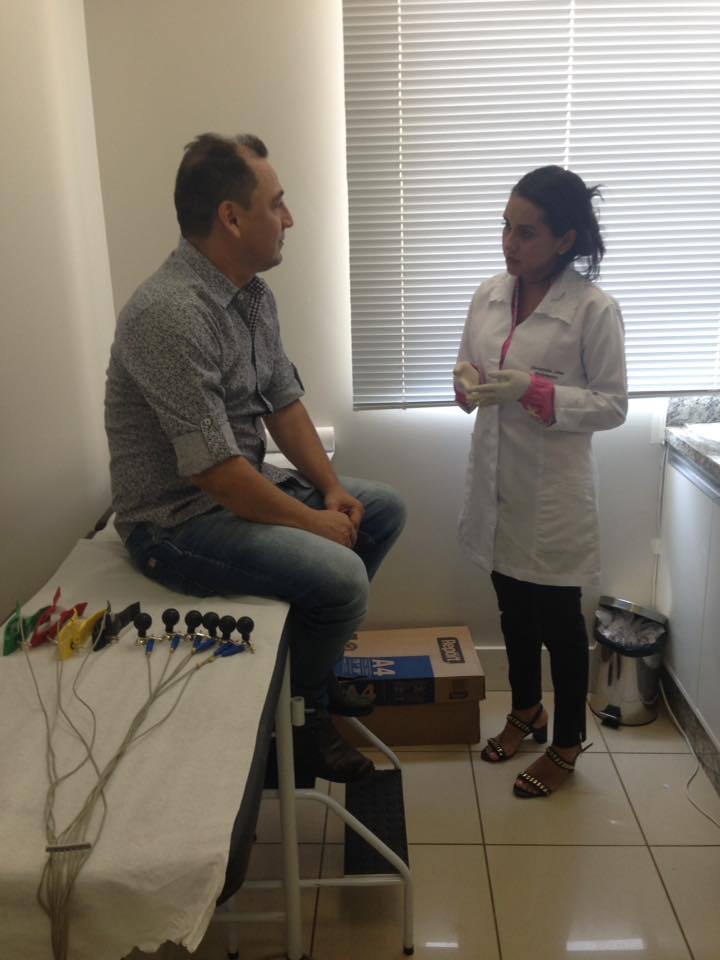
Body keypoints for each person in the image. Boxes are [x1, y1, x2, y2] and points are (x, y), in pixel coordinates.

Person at [105, 133, 406, 783]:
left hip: (229, 493)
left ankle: (310, 672)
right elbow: (214, 473)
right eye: (277, 204)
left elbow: (284, 404)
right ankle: (300, 720)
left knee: (380, 509)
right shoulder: (168, 314)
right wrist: (313, 523)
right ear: (231, 218)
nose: (289, 218)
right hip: (175, 522)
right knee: (342, 579)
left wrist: (331, 491)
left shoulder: (251, 296)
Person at [453, 165, 627, 798]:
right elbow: (470, 363)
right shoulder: (489, 295)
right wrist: (464, 382)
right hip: (498, 485)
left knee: (560, 626)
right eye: (505, 227)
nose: (510, 243)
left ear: (564, 239)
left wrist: (538, 391)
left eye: (526, 233)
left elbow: (612, 405)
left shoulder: (593, 310)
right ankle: (527, 709)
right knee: (512, 612)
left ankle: (568, 742)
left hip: (553, 495)